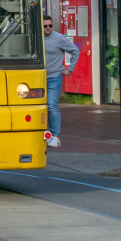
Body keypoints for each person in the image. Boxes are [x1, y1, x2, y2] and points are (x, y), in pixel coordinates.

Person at [43, 15, 79, 149]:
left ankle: (56, 137)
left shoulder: (59, 38)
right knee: (40, 107)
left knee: (52, 105)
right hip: (37, 78)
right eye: (45, 26)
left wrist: (70, 69)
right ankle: (44, 134)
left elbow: (75, 51)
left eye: (50, 26)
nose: (48, 28)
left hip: (54, 77)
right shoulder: (36, 39)